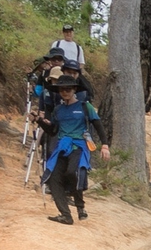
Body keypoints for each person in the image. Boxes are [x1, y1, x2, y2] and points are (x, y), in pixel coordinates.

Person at [40, 74, 109, 225]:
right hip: (62, 146)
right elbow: (53, 131)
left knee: (73, 172)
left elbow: (98, 125)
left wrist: (105, 145)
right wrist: (39, 121)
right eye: (61, 89)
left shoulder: (85, 107)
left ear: (75, 89)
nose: (64, 92)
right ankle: (66, 215)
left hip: (79, 146)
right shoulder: (58, 110)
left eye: (68, 89)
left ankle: (80, 206)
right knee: (53, 177)